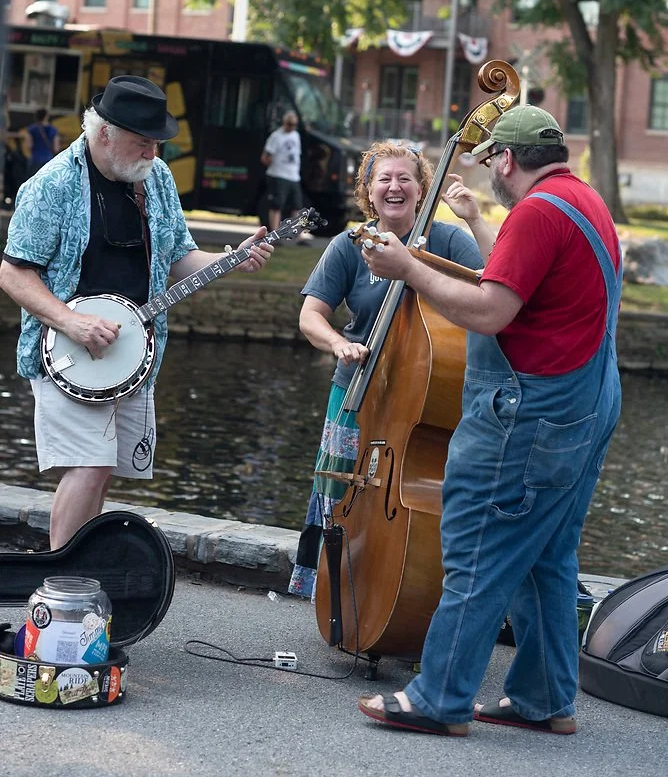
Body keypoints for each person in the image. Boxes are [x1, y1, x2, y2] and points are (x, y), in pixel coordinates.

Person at [357, 105, 622, 737]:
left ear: (506, 159)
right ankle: (544, 698)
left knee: (477, 548)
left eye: (491, 165)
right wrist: (437, 261)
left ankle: (439, 698)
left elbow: (492, 311)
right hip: (587, 406)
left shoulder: (534, 212)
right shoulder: (585, 199)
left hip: (529, 415)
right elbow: (514, 285)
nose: (490, 178)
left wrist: (409, 269)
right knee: (548, 558)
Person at [0, 75, 273, 550]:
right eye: (143, 142)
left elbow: (180, 257)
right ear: (104, 132)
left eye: (156, 144)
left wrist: (232, 259)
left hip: (133, 352)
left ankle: (77, 572)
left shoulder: (156, 178)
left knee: (104, 472)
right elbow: (13, 273)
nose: (153, 153)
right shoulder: (52, 185)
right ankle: (59, 582)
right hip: (63, 350)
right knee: (90, 465)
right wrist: (70, 321)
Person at [288, 140, 496, 598]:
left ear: (422, 187)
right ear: (369, 189)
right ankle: (327, 587)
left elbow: (499, 281)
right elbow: (310, 316)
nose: (394, 187)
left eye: (405, 178)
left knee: (414, 494)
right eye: (384, 178)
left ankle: (405, 588)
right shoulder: (351, 244)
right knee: (339, 491)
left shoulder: (447, 240)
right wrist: (340, 344)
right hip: (357, 389)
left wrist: (475, 218)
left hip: (425, 394)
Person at [261, 110, 313, 243]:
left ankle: (299, 235)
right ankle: (275, 234)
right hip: (278, 175)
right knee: (277, 206)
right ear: (284, 123)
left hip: (293, 176)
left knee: (297, 207)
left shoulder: (295, 135)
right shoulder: (276, 136)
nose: (292, 127)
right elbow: (265, 157)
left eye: (294, 124)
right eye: (289, 124)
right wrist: (271, 162)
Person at [26, 108, 60, 175]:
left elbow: (29, 145)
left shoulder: (32, 129)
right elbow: (56, 148)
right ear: (46, 117)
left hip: (35, 160)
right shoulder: (53, 130)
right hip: (48, 161)